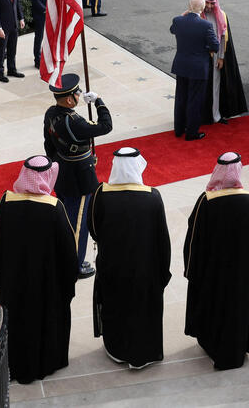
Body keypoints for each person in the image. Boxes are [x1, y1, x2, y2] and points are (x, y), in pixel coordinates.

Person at [0, 156, 79, 383]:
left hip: (13, 285)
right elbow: (69, 255)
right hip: (46, 288)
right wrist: (66, 285)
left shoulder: (6, 202)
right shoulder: (54, 208)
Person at [88, 148, 171, 369]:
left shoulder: (100, 195)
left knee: (117, 308)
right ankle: (145, 352)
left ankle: (118, 350)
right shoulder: (153, 197)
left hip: (113, 267)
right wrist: (163, 271)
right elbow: (162, 239)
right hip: (146, 269)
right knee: (143, 311)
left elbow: (93, 229)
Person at [184, 152, 249, 370]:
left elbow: (192, 241)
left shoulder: (206, 202)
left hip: (212, 274)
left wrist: (191, 271)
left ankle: (213, 347)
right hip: (242, 275)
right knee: (237, 312)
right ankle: (235, 352)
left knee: (214, 309)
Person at [43, 73, 113, 278]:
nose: (79, 95)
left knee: (65, 219)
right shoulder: (74, 121)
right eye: (77, 94)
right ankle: (74, 265)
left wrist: (57, 163)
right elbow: (106, 126)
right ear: (68, 99)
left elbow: (48, 143)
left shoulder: (51, 113)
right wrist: (99, 102)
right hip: (79, 178)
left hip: (62, 170)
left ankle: (62, 255)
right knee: (78, 225)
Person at [171, 0, 220, 141]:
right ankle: (191, 132)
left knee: (181, 98)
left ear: (189, 6)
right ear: (203, 8)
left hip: (181, 65)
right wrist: (204, 48)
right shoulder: (206, 25)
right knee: (195, 100)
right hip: (198, 67)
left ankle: (179, 129)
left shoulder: (178, 20)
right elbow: (215, 46)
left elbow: (173, 30)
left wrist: (182, 15)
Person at [200, 0, 247, 124]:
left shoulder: (221, 15)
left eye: (212, 3)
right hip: (201, 57)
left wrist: (221, 57)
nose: (209, 6)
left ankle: (215, 115)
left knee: (215, 87)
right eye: (207, 3)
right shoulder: (198, 15)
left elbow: (222, 38)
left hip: (215, 57)